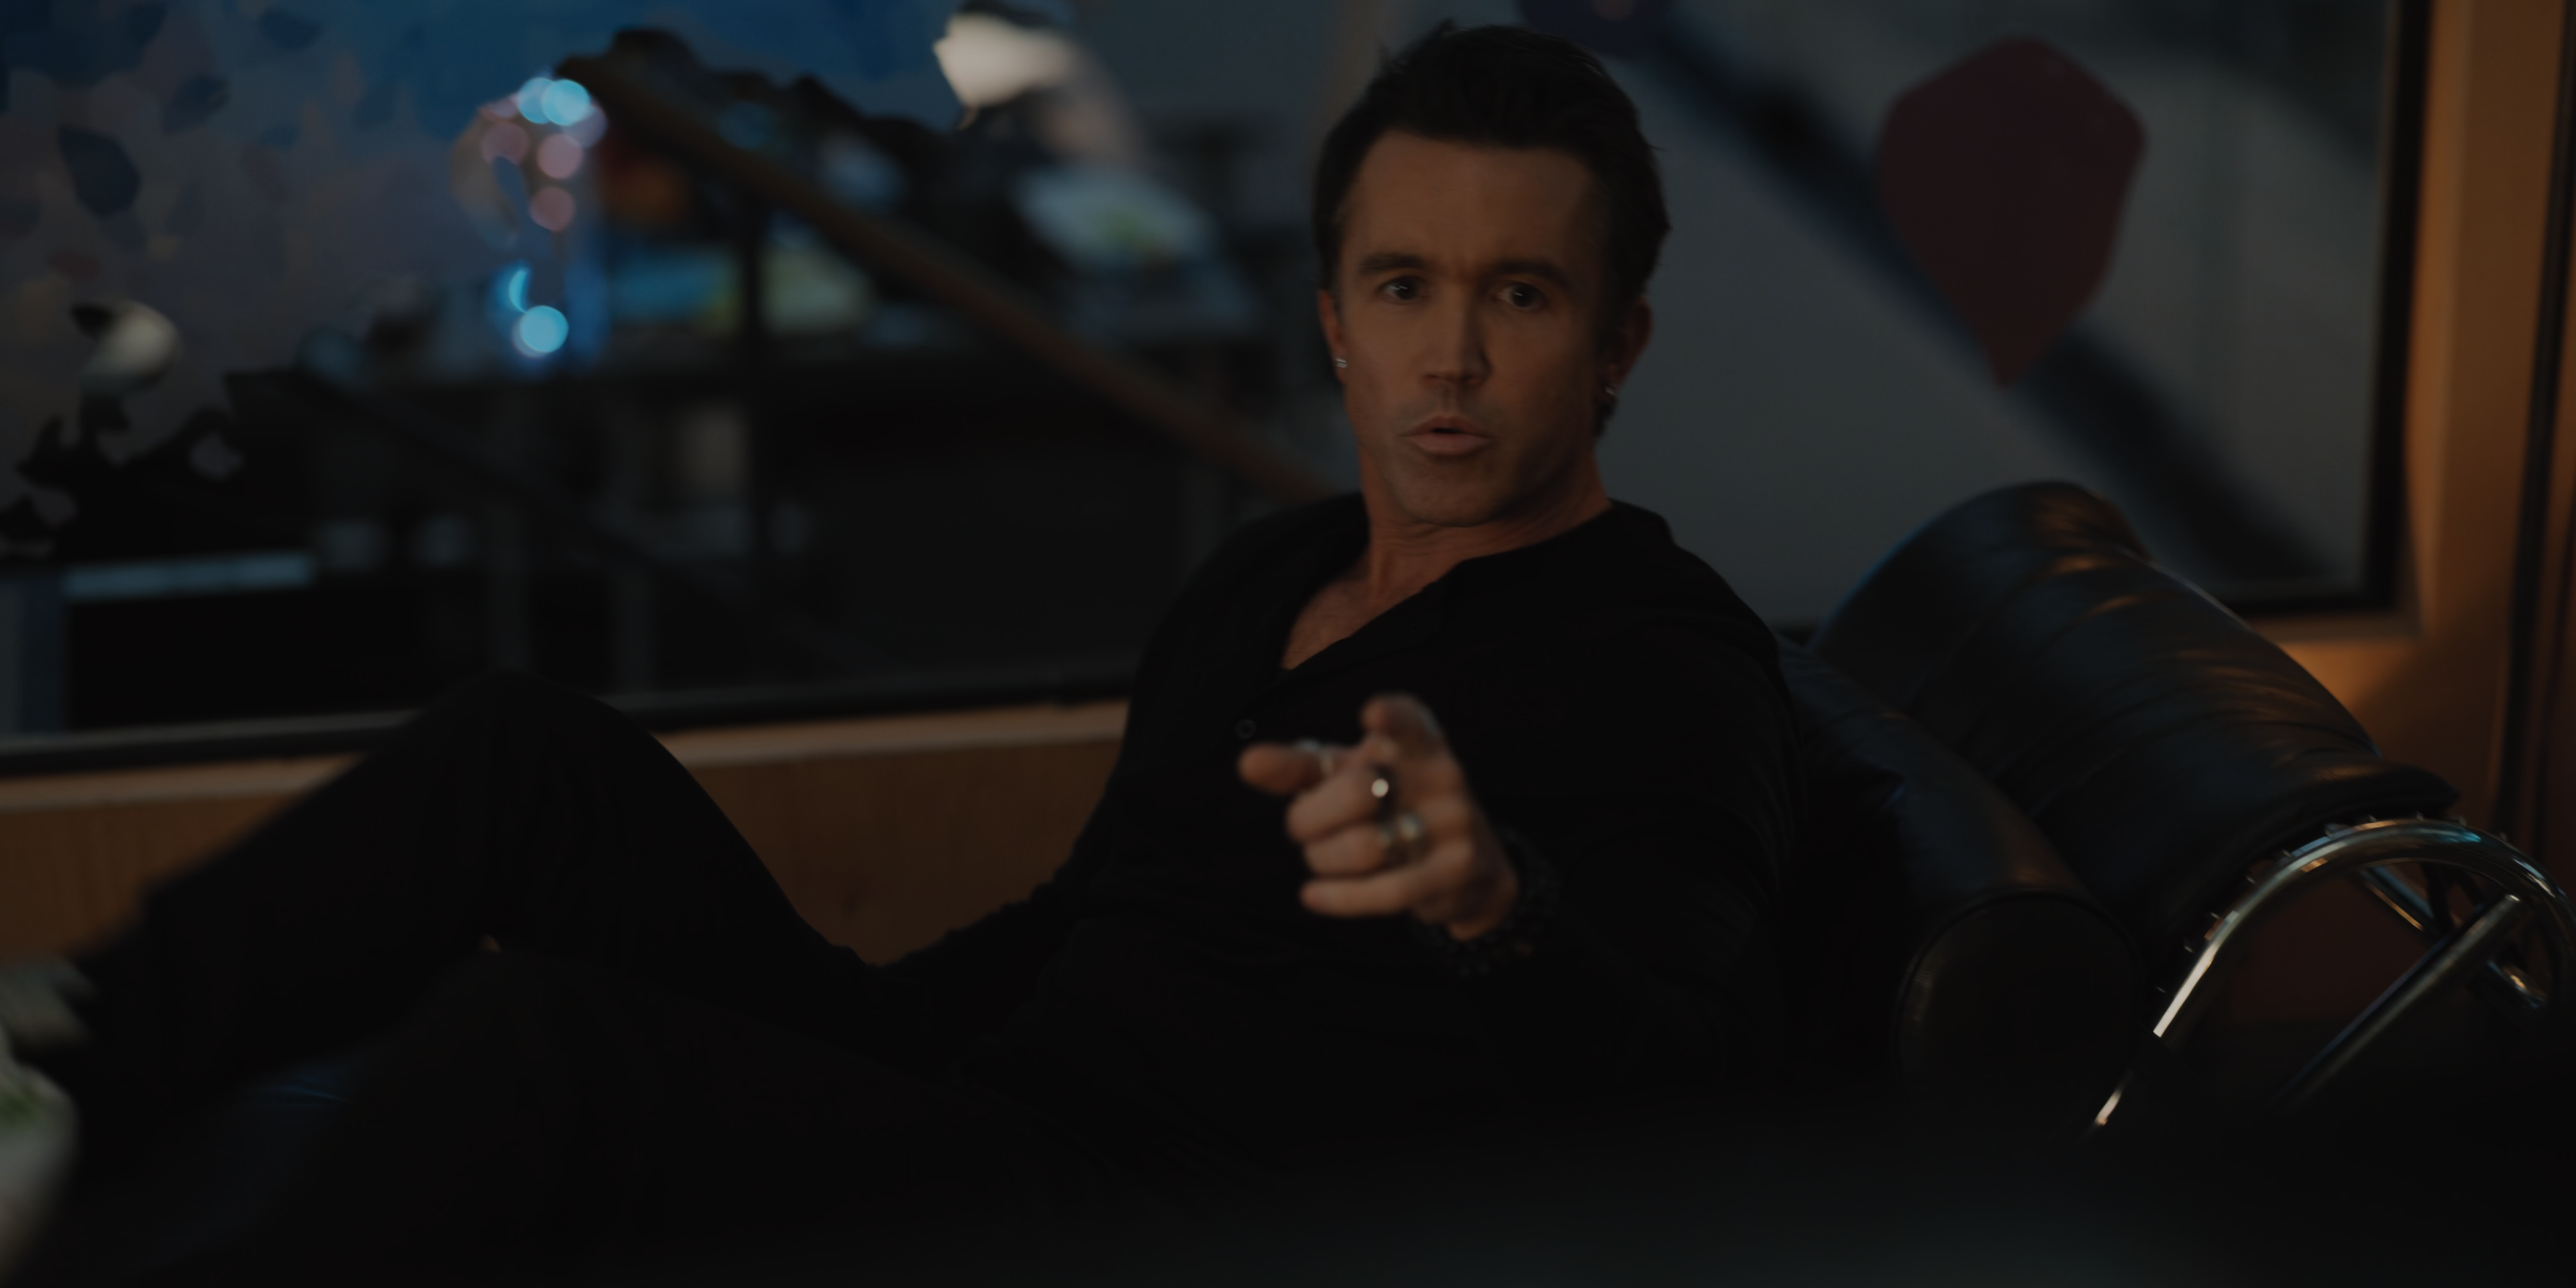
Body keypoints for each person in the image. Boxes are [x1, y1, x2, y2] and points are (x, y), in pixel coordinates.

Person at [0, 22, 1796, 1283]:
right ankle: (64, 1079)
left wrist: (1494, 908)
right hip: (993, 1110)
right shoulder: (1276, 565)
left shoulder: (1665, 659)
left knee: (534, 1045)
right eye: (1408, 288)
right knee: (524, 752)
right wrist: (858, 1039)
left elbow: (1704, 1102)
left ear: (1618, 344)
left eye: (1520, 295)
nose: (1452, 357)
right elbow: (1090, 912)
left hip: (1171, 1225)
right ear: (1336, 325)